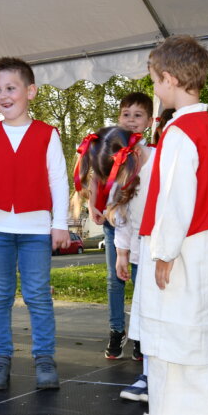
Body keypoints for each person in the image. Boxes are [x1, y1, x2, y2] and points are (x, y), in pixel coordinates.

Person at [138, 35, 208, 415]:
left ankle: (175, 411)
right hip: (204, 242)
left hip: (181, 245)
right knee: (194, 323)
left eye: (156, 82)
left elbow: (176, 199)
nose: (156, 90)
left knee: (172, 326)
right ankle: (200, 405)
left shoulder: (179, 132)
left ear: (171, 79)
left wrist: (163, 252)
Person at [0, 57, 70, 391]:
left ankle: (44, 357)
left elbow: (58, 181)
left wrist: (60, 223)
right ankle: (0, 358)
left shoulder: (46, 134)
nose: (3, 95)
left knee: (38, 295)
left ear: (30, 92)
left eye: (11, 88)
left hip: (36, 229)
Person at [75, 126, 153, 401]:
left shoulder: (158, 164)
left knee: (160, 312)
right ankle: (149, 374)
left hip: (163, 248)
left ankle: (161, 373)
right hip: (140, 246)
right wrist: (121, 254)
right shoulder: (123, 175)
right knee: (144, 306)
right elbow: (122, 212)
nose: (111, 181)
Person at [86, 92, 153, 361]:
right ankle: (117, 330)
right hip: (115, 223)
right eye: (127, 114)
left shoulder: (151, 152)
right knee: (115, 280)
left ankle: (141, 333)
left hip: (141, 227)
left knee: (141, 281)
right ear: (119, 118)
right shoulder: (111, 146)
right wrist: (93, 206)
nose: (132, 120)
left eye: (138, 116)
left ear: (148, 121)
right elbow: (95, 177)